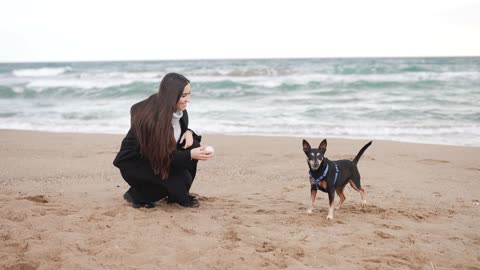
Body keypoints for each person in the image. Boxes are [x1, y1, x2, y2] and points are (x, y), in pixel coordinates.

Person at [113, 73, 213, 208]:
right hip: (137, 163)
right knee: (181, 178)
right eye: (183, 95)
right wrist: (190, 155)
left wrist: (188, 132)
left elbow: (175, 136)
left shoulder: (180, 112)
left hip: (159, 158)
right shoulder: (153, 120)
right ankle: (136, 195)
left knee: (193, 145)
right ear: (171, 95)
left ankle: (176, 194)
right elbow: (161, 156)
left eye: (189, 94)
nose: (187, 100)